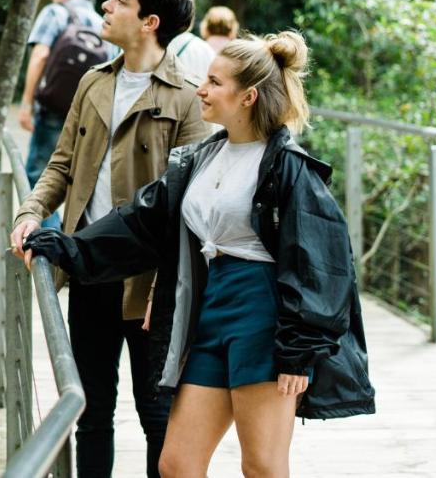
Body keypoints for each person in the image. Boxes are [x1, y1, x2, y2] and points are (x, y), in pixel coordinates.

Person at [23, 31, 375, 478]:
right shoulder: (203, 157)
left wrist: (299, 352)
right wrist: (69, 247)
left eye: (213, 82)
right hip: (210, 312)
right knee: (177, 464)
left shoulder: (289, 168)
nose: (201, 90)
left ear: (247, 96)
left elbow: (324, 264)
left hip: (264, 318)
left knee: (263, 465)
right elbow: (142, 220)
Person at [10, 0, 209, 478]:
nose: (106, 5)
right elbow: (61, 165)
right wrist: (32, 213)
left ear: (150, 22)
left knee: (156, 417)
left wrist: (169, 286)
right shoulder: (92, 83)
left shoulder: (188, 99)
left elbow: (192, 207)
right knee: (91, 414)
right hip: (89, 269)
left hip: (150, 285)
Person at [18, 0, 111, 229]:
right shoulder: (102, 22)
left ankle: (44, 246)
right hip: (89, 113)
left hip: (53, 111)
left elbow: (40, 55)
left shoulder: (55, 13)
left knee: (38, 177)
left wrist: (26, 103)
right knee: (80, 182)